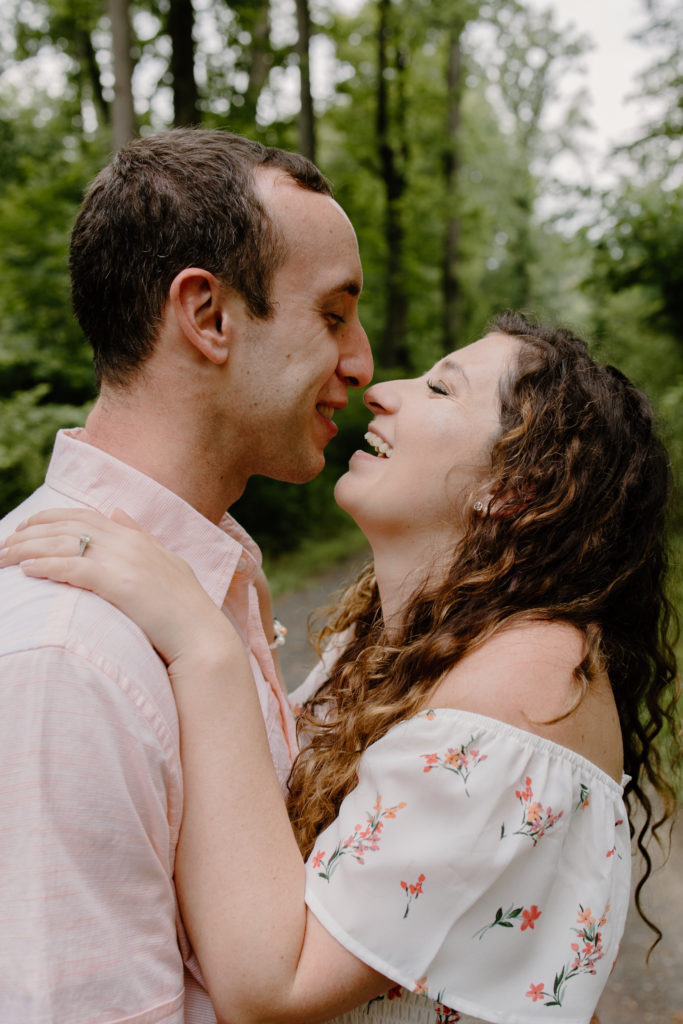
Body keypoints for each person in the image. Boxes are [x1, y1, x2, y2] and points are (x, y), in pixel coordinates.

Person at [2, 313, 678, 1024]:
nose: (383, 389)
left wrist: (207, 646)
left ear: (513, 489)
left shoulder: (529, 686)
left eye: (440, 390)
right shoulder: (399, 642)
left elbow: (274, 988)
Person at [0, 128, 372, 1022]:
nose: (359, 364)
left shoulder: (198, 587)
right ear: (207, 317)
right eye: (331, 314)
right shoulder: (69, 653)